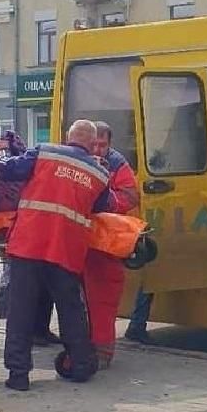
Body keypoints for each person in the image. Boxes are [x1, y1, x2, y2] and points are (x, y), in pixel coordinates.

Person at [0, 119, 113, 391]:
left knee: (21, 309)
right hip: (66, 249)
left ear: (67, 137)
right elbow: (105, 206)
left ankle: (18, 375)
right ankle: (81, 365)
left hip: (29, 243)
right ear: (92, 143)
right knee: (71, 309)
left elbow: (10, 172)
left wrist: (0, 153)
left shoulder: (44, 152)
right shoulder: (99, 173)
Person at [87, 121, 141, 367]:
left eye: (103, 145)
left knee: (103, 296)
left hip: (106, 239)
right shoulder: (78, 160)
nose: (98, 149)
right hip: (83, 237)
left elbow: (130, 196)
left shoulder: (118, 164)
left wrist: (106, 203)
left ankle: (101, 353)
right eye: (94, 144)